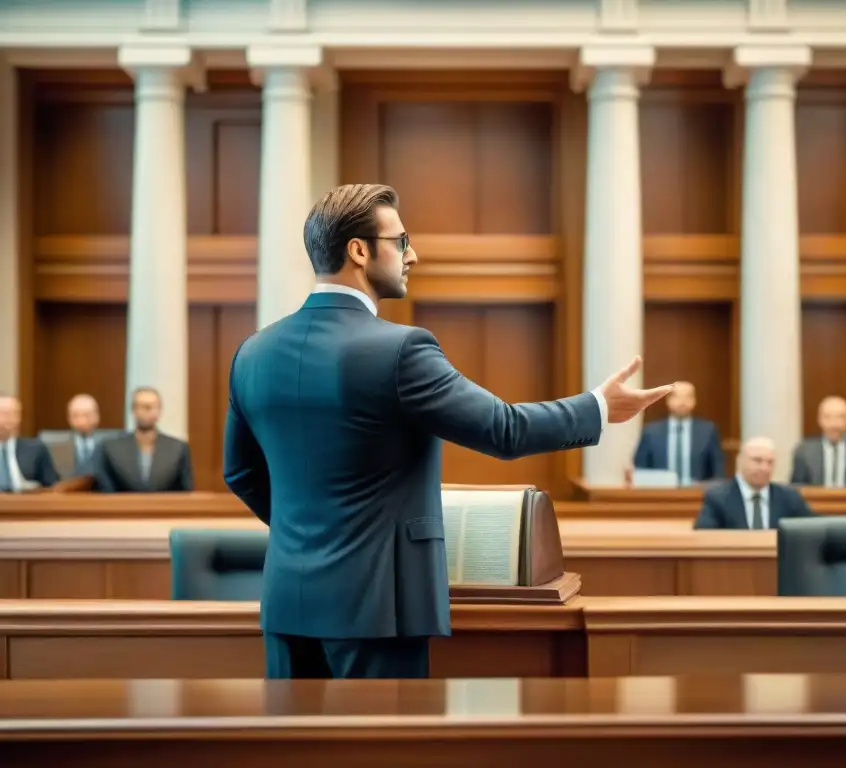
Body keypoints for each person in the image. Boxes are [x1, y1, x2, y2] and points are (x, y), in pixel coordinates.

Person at [223, 184, 672, 680]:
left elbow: (240, 472)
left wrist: (311, 531)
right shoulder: (399, 350)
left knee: (293, 754)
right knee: (381, 753)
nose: (412, 254)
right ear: (358, 250)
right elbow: (504, 430)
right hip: (377, 609)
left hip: (288, 602)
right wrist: (597, 408)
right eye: (400, 240)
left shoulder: (253, 353)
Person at [694, 437, 814, 530]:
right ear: (740, 461)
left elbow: (811, 529)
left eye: (770, 462)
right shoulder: (718, 497)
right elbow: (704, 536)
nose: (764, 468)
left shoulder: (788, 497)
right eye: (757, 461)